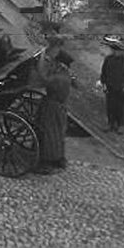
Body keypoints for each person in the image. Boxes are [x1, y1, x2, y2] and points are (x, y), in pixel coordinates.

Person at [35, 39, 74, 174]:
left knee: (49, 133)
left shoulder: (59, 78)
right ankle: (58, 158)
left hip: (52, 107)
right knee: (58, 133)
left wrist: (41, 60)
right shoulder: (65, 75)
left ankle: (46, 162)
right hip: (59, 107)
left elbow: (43, 78)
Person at [99, 35, 124, 133]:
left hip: (120, 87)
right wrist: (104, 84)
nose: (115, 52)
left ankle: (120, 124)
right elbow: (104, 73)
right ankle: (110, 123)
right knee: (110, 106)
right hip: (110, 86)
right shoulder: (108, 60)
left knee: (120, 107)